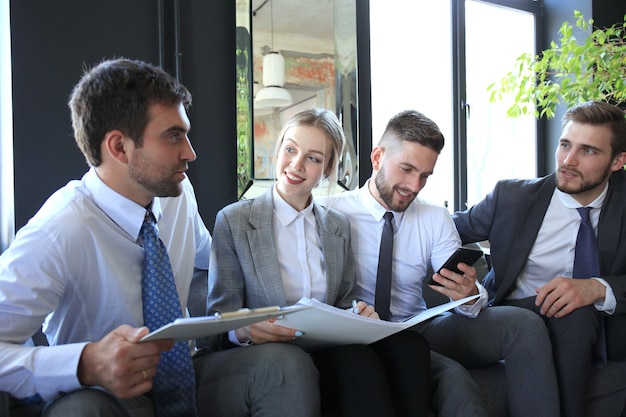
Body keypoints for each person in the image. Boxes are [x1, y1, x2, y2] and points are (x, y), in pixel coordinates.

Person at [0, 58, 319, 417]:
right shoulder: (58, 231)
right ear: (119, 147)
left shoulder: (178, 195)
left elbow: (212, 257)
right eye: (173, 137)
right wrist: (85, 363)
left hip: (188, 373)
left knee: (281, 367)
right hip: (108, 393)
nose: (190, 153)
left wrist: (255, 315)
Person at [324, 109, 560, 417]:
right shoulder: (329, 213)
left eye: (424, 175)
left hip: (420, 328)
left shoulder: (434, 217)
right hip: (355, 332)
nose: (414, 185)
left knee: (523, 324)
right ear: (377, 157)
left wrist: (468, 295)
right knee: (453, 379)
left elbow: (466, 293)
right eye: (406, 169)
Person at [207, 108, 431, 417]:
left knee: (408, 347)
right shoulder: (234, 220)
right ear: (279, 148)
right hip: (268, 351)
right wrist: (244, 330)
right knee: (356, 363)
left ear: (327, 169)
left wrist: (358, 312)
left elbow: (344, 300)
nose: (296, 165)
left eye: (313, 158)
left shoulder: (337, 226)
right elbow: (219, 318)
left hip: (325, 347)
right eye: (290, 149)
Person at [452, 100, 626, 417]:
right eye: (565, 145)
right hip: (517, 309)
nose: (569, 160)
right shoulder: (512, 197)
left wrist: (598, 288)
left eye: (588, 151)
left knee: (581, 306)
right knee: (574, 312)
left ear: (617, 161)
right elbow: (446, 232)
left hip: (604, 319)